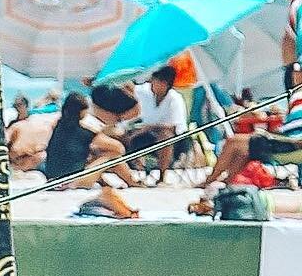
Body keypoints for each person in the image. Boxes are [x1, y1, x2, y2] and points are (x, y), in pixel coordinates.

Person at [197, 64, 302, 192]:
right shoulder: (296, 96)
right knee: (243, 150)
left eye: (298, 71)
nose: (294, 75)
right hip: (285, 140)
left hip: (292, 144)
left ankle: (209, 180)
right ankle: (226, 182)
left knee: (233, 141)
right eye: (295, 72)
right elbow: (292, 123)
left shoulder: (297, 96)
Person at [44, 91, 136, 188]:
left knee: (92, 159)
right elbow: (119, 148)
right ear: (82, 111)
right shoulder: (84, 131)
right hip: (73, 181)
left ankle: (105, 184)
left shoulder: (58, 127)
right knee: (112, 156)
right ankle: (132, 182)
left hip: (53, 179)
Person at [123, 65, 188, 176]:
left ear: (166, 84)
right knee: (124, 134)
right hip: (146, 134)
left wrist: (149, 127)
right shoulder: (145, 91)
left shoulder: (175, 99)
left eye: (158, 82)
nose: (154, 85)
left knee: (165, 136)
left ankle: (162, 175)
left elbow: (173, 126)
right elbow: (128, 87)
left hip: (174, 139)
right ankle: (135, 169)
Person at [7, 103, 56, 174]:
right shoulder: (15, 125)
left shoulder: (18, 125)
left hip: (33, 161)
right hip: (27, 161)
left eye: (19, 106)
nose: (17, 109)